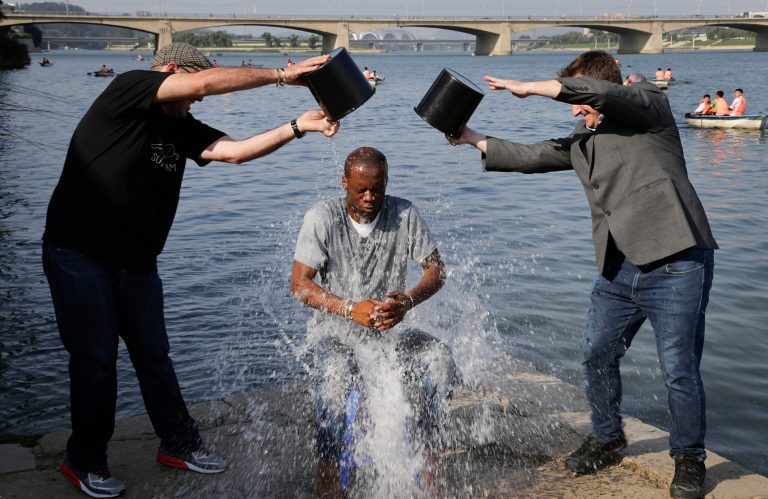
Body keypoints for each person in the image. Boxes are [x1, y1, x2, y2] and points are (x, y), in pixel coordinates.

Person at [42, 42, 339, 498]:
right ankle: (84, 460)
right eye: (191, 94)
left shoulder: (180, 127)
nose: (197, 100)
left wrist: (299, 126)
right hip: (79, 253)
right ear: (172, 74)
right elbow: (203, 82)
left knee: (154, 356)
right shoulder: (129, 88)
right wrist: (283, 76)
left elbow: (236, 151)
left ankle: (178, 444)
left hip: (136, 261)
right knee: (96, 362)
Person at [447, 50, 717, 499]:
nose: (576, 109)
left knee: (680, 371)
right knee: (595, 353)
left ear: (601, 91)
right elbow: (534, 156)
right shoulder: (583, 136)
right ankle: (608, 437)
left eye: (581, 100)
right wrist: (470, 137)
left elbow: (599, 93)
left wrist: (532, 87)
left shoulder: (648, 107)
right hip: (618, 268)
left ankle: (689, 458)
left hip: (676, 263)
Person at [290, 147, 457, 496]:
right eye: (360, 190)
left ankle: (430, 474)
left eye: (377, 190)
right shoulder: (322, 217)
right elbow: (300, 286)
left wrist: (407, 302)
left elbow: (436, 271)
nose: (369, 198)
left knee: (438, 359)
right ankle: (330, 480)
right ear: (344, 184)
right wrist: (351, 309)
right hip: (335, 331)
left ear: (386, 184)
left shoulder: (403, 213)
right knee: (335, 375)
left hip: (388, 331)